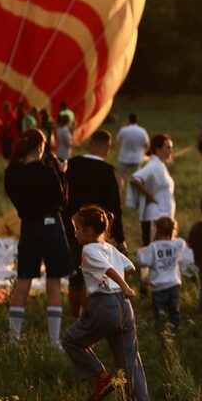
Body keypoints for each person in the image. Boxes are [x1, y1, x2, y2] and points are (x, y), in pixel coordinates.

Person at [62, 205, 150, 401]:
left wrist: (123, 285)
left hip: (104, 305)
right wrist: (119, 284)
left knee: (71, 340)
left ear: (90, 231)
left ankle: (102, 378)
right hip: (124, 307)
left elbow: (110, 270)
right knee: (130, 362)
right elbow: (130, 267)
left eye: (77, 228)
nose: (75, 233)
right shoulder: (109, 248)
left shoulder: (89, 249)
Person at [3, 127, 71, 347]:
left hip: (29, 228)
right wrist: (62, 174)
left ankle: (14, 339)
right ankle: (54, 340)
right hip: (51, 227)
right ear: (41, 147)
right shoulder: (47, 172)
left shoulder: (11, 173)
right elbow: (62, 202)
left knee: (23, 283)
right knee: (54, 282)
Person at [64, 128, 126, 317]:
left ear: (90, 144)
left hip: (73, 228)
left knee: (75, 277)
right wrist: (120, 238)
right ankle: (88, 317)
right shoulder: (108, 172)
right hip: (97, 231)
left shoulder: (72, 165)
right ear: (108, 148)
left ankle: (75, 317)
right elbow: (115, 207)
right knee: (92, 277)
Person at [135, 216, 190, 332]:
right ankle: (176, 328)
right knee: (174, 309)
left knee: (160, 310)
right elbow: (183, 244)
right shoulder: (178, 244)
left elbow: (145, 262)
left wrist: (138, 254)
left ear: (156, 229)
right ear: (174, 229)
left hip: (158, 285)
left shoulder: (153, 247)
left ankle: (161, 330)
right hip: (173, 283)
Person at [129, 133, 177, 246]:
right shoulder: (153, 165)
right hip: (155, 216)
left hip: (162, 215)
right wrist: (149, 196)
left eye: (171, 147)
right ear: (158, 149)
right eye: (168, 147)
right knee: (154, 250)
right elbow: (134, 179)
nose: (171, 150)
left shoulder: (160, 165)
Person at [116, 113, 150, 204]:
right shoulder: (142, 131)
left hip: (124, 158)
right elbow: (146, 144)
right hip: (137, 158)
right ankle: (137, 198)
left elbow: (118, 139)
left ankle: (119, 195)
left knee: (120, 177)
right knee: (136, 179)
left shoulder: (124, 130)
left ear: (128, 119)